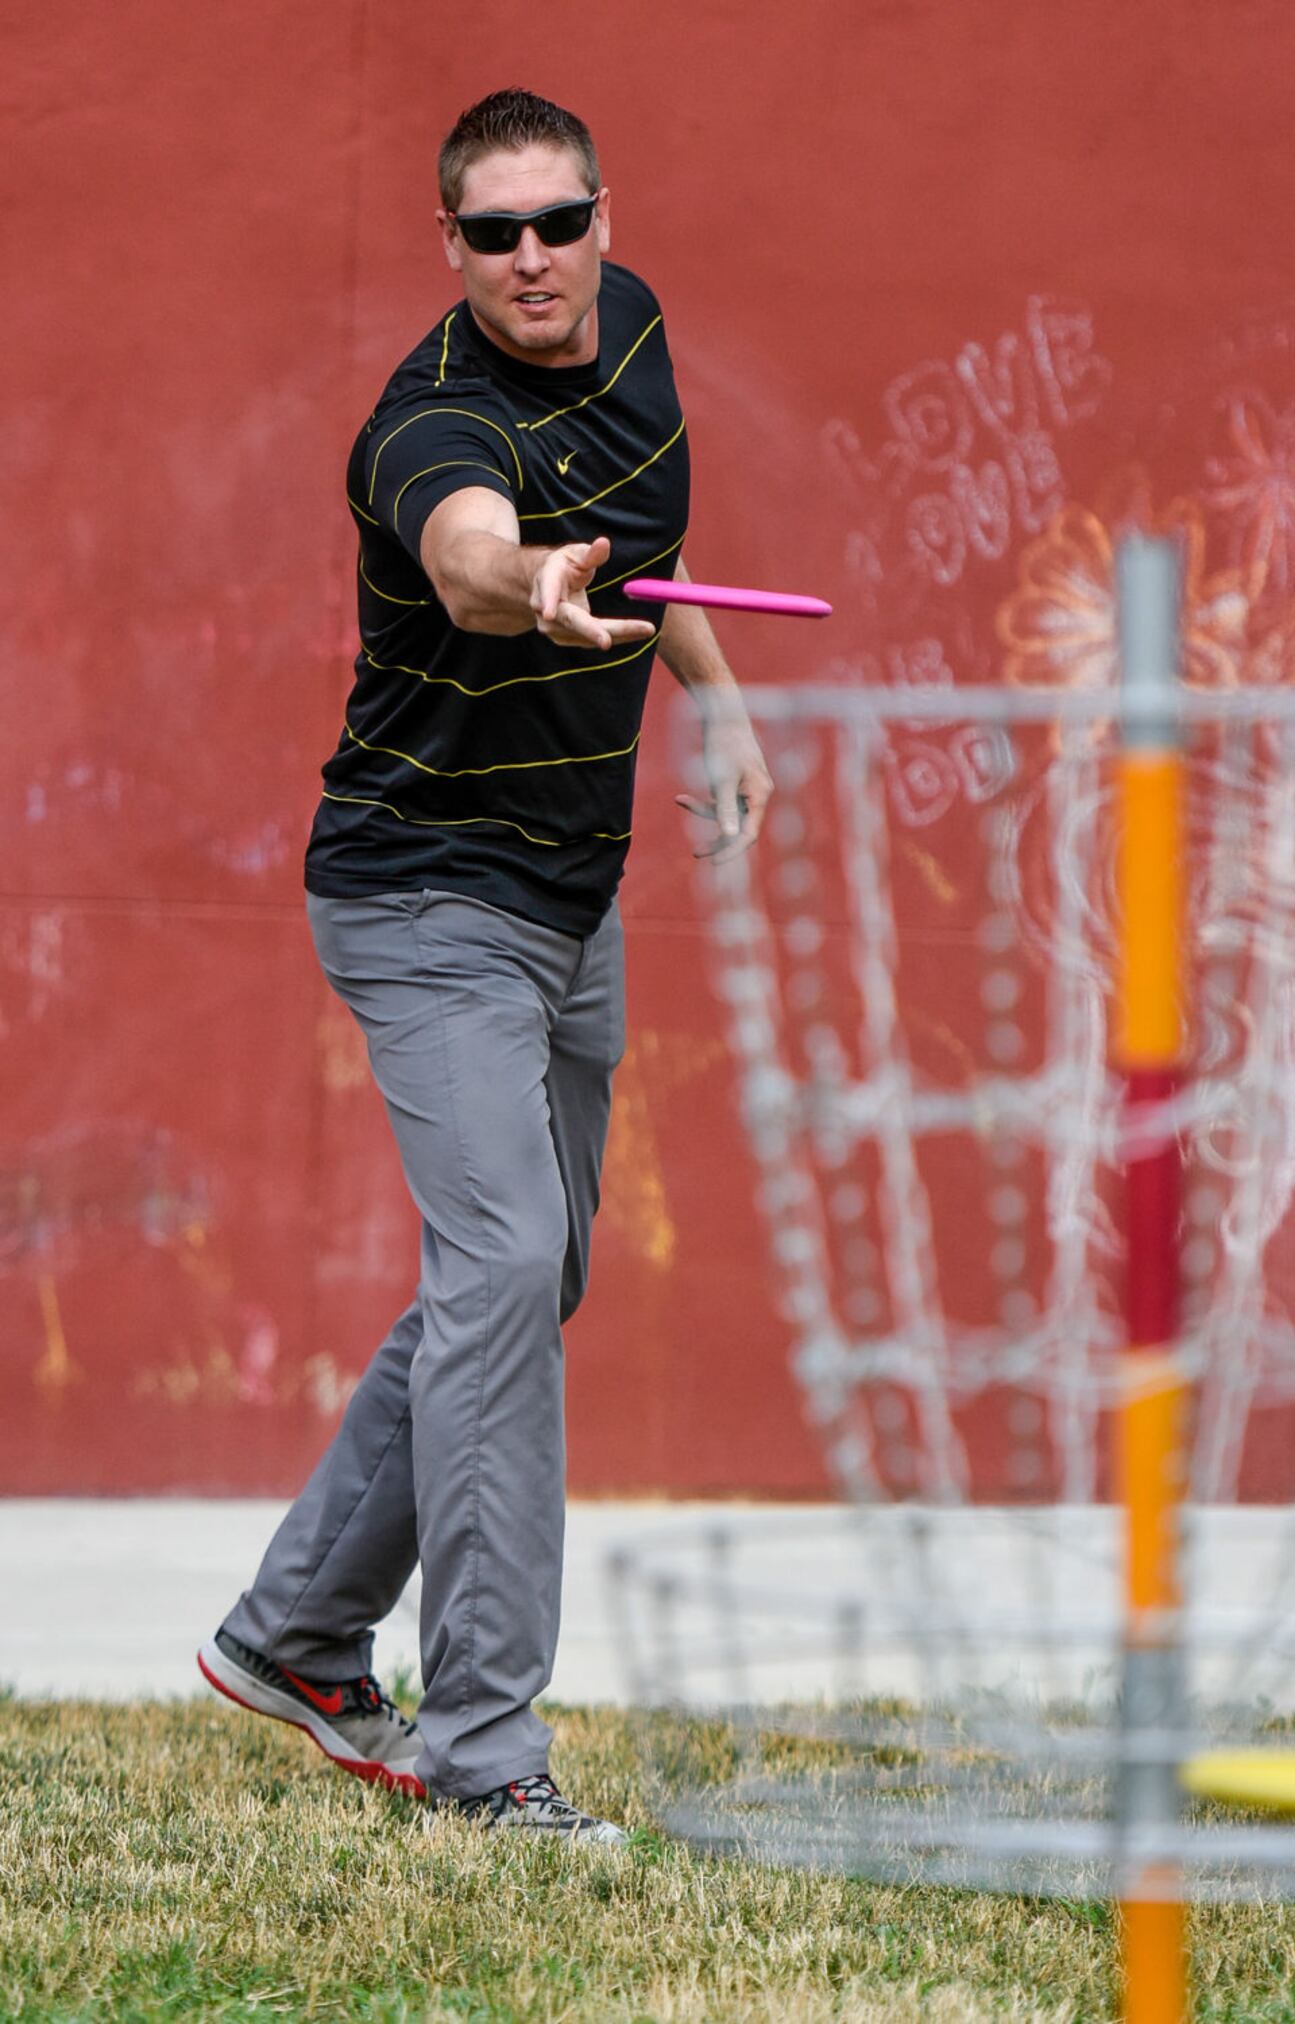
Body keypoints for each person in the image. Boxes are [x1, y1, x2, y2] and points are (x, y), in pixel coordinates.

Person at [197, 87, 771, 1842]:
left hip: (568, 895)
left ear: (605, 212)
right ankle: (488, 1757)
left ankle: (295, 1633)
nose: (534, 258)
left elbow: (659, 558)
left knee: (526, 1278)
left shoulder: (643, 327)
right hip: (423, 899)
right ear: (450, 248)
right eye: (495, 232)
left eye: (559, 220)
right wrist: (541, 589)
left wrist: (719, 709)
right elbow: (463, 562)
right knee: (509, 1271)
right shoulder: (424, 423)